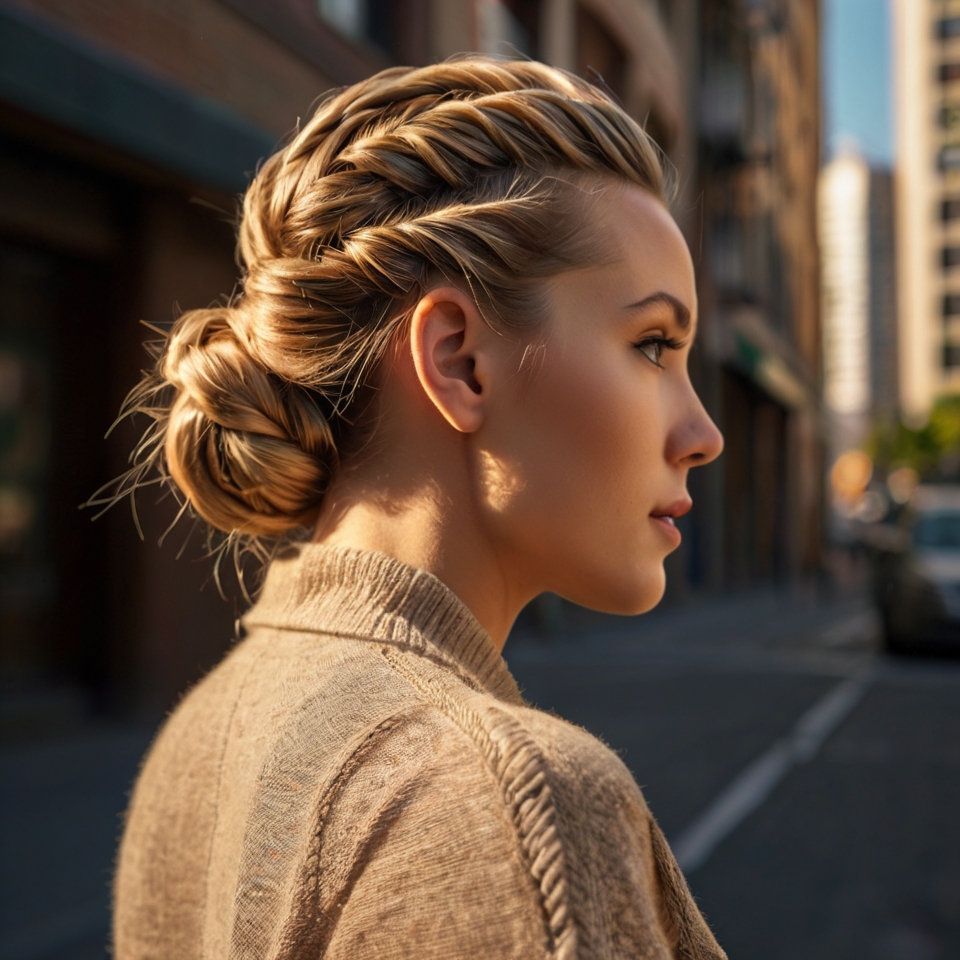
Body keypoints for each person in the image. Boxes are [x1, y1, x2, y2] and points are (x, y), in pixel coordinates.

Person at [111, 56, 725, 960]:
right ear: (458, 361)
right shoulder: (511, 799)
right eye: (651, 344)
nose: (702, 431)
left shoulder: (194, 736)